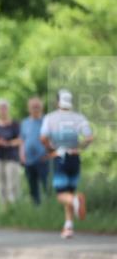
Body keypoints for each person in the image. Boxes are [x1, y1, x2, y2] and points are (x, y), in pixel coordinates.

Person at [40, 89, 94, 239]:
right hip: (75, 157)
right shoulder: (79, 118)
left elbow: (43, 138)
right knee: (69, 191)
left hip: (60, 157)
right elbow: (89, 137)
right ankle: (68, 226)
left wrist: (51, 149)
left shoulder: (50, 118)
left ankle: (76, 201)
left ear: (58, 102)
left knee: (61, 195)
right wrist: (79, 147)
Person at [0, 99, 22, 205]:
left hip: (11, 157)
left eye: (4, 108)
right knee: (1, 184)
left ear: (8, 109)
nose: (2, 110)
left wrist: (7, 143)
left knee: (12, 184)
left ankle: (14, 206)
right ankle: (3, 207)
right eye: (0, 108)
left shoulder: (15, 124)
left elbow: (20, 140)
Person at [19, 96, 50, 205]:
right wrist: (22, 155)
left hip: (43, 159)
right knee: (32, 186)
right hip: (29, 160)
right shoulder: (25, 123)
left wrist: (48, 153)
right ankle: (36, 206)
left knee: (46, 184)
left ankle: (49, 206)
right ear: (29, 108)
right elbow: (22, 140)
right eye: (33, 107)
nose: (35, 109)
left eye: (37, 106)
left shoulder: (47, 121)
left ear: (41, 107)